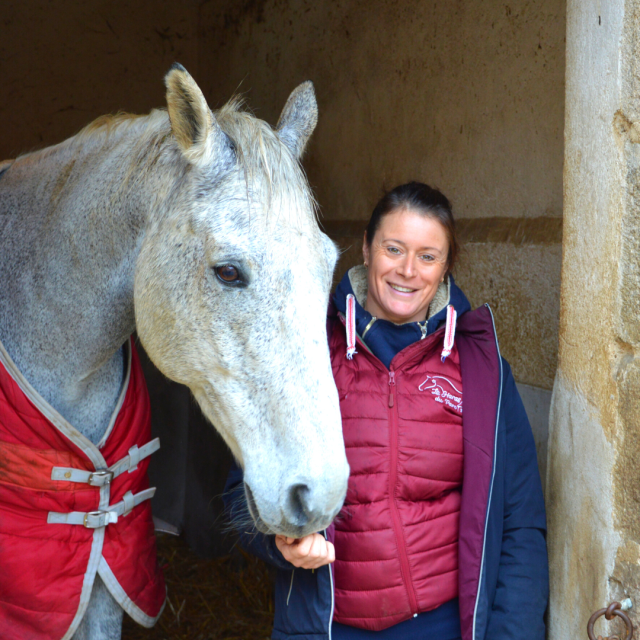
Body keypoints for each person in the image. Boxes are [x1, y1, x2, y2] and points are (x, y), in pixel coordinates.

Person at [225, 181, 548, 640]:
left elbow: (521, 523)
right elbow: (239, 492)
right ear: (365, 249)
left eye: (428, 256)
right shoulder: (307, 353)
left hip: (443, 625)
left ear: (446, 265)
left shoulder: (481, 371)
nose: (408, 271)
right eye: (394, 249)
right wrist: (280, 542)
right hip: (327, 625)